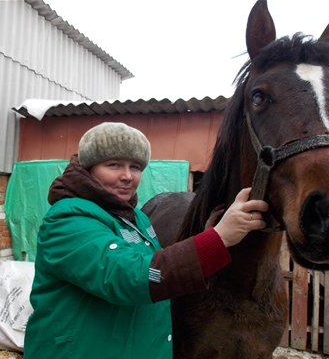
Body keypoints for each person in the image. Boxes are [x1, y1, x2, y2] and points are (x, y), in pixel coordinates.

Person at [23, 122, 268, 358]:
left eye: (136, 167)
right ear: (89, 168)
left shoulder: (136, 217)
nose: (127, 176)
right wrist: (218, 239)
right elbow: (131, 276)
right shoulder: (69, 218)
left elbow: (156, 265)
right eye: (114, 165)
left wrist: (206, 236)